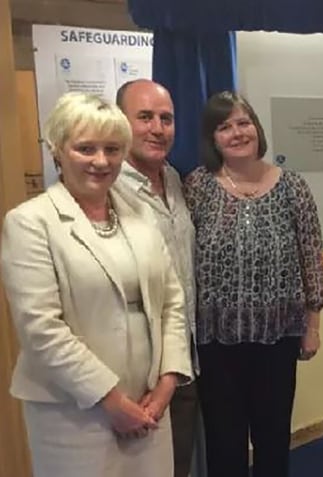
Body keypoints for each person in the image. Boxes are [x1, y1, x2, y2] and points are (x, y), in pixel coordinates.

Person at [0, 92, 192, 477]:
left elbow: (172, 301)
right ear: (58, 150)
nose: (101, 161)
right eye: (85, 148)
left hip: (151, 404)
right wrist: (112, 401)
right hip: (76, 412)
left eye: (112, 149)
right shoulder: (31, 222)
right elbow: (41, 329)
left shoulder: (141, 216)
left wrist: (168, 381)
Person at [184, 91, 323, 477]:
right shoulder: (196, 187)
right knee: (223, 441)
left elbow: (311, 256)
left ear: (257, 128)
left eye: (243, 122)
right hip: (215, 341)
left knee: (273, 437)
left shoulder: (292, 186)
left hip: (278, 338)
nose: (236, 133)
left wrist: (312, 326)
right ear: (212, 138)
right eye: (224, 127)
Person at [115, 78, 199, 477]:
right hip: (139, 371)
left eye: (166, 119)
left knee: (177, 464)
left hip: (184, 358)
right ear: (120, 122)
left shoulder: (176, 180)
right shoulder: (107, 189)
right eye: (144, 117)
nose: (157, 128)